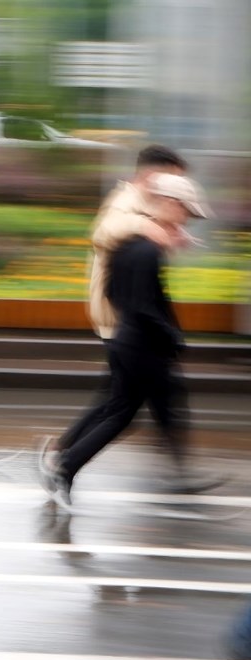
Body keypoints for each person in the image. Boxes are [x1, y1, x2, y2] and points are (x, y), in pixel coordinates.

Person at [37, 173, 213, 509]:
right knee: (124, 414)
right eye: (186, 211)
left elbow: (113, 291)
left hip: (125, 340)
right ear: (170, 205)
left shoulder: (130, 246)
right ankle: (64, 467)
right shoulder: (148, 251)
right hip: (142, 346)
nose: (186, 219)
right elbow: (148, 305)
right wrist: (172, 335)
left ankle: (65, 468)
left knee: (122, 411)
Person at [50, 145, 188, 456]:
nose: (176, 193)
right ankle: (62, 458)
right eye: (173, 181)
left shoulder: (143, 203)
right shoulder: (126, 201)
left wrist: (170, 232)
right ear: (153, 175)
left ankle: (62, 455)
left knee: (118, 402)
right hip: (122, 317)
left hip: (128, 319)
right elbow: (104, 232)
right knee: (123, 405)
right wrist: (148, 226)